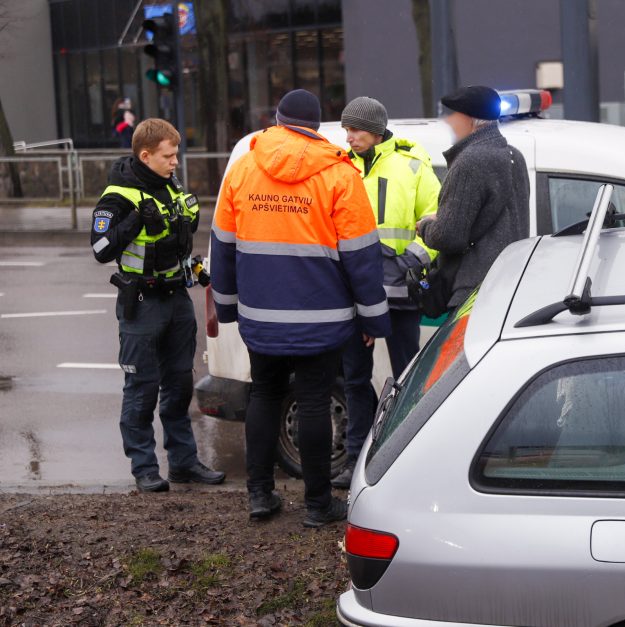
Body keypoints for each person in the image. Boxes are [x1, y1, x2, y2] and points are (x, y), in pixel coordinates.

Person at [210, 89, 391, 527]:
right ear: (317, 127)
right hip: (323, 316)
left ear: (276, 119)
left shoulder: (244, 168)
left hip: (261, 314)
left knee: (265, 394)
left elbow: (223, 246)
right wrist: (372, 316)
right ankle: (317, 504)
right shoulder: (339, 174)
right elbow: (361, 256)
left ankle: (259, 495)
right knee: (313, 402)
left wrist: (229, 308)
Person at [90, 118, 225, 493]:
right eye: (168, 156)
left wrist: (197, 268)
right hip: (142, 303)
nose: (175, 162)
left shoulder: (171, 187)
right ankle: (145, 467)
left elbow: (175, 242)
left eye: (176, 154)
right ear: (146, 155)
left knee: (180, 385)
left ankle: (183, 463)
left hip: (176, 298)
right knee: (142, 388)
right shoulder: (118, 196)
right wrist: (133, 221)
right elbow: (101, 249)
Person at [331, 96, 441, 489]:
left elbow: (436, 221)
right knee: (355, 380)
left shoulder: (413, 165)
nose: (350, 136)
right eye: (346, 128)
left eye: (356, 129)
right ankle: (355, 459)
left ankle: (409, 457)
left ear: (377, 129)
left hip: (399, 295)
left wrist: (410, 260)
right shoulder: (340, 168)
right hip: (354, 297)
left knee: (408, 377)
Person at [416, 85, 530, 310]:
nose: (448, 122)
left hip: (474, 292)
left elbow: (449, 236)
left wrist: (427, 226)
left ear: (469, 119)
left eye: (452, 115)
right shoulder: (514, 156)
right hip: (510, 285)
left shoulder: (470, 161)